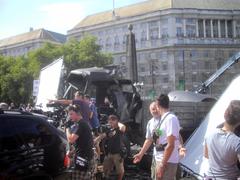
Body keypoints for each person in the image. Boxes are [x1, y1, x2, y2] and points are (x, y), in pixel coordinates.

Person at [204, 100, 240, 180]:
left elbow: (206, 155)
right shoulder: (237, 142)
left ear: (225, 114)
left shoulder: (209, 134)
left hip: (210, 177)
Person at [154, 94, 180, 180]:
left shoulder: (171, 119)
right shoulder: (164, 119)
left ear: (158, 105)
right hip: (162, 159)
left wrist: (162, 164)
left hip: (167, 161)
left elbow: (171, 145)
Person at [65, 104, 95, 180]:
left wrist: (67, 128)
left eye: (71, 114)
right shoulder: (82, 124)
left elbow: (71, 139)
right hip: (86, 156)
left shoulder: (81, 124)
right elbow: (83, 143)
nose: (70, 116)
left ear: (78, 113)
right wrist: (73, 152)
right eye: (69, 114)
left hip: (83, 158)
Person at [133, 101, 161, 178]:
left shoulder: (166, 119)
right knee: (155, 176)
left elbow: (177, 136)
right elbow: (149, 140)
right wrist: (140, 154)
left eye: (156, 108)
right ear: (150, 111)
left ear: (160, 108)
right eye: (153, 109)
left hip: (169, 157)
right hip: (157, 156)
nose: (155, 111)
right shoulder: (150, 123)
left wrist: (181, 147)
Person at [102, 114, 126, 180]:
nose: (110, 122)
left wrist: (117, 123)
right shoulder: (109, 130)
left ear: (117, 121)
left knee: (120, 171)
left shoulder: (119, 130)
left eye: (113, 120)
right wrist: (95, 140)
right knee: (105, 169)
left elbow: (123, 127)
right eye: (109, 120)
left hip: (117, 153)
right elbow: (103, 135)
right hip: (109, 153)